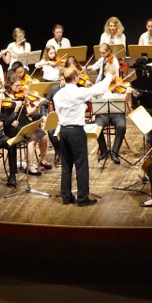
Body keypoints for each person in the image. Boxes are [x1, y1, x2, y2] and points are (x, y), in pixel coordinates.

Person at [54, 64, 114, 207]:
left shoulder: (58, 95)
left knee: (66, 165)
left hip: (63, 130)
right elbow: (99, 89)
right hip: (76, 131)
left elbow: (62, 111)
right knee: (81, 165)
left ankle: (66, 197)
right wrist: (109, 75)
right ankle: (82, 199)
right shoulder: (78, 92)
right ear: (75, 78)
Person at [2, 73, 52, 175]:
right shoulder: (4, 97)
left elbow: (29, 112)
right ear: (10, 85)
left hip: (25, 122)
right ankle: (29, 166)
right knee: (33, 138)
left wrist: (38, 105)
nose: (19, 87)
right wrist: (15, 110)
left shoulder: (22, 96)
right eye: (17, 85)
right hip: (13, 125)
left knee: (44, 137)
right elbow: (4, 119)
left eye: (20, 85)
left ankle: (42, 160)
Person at [93, 62, 133, 165]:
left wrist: (128, 94)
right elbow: (92, 98)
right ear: (105, 73)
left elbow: (125, 101)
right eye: (111, 74)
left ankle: (114, 152)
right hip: (102, 113)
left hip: (117, 113)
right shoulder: (99, 86)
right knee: (96, 127)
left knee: (122, 126)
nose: (114, 76)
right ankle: (104, 151)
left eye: (115, 74)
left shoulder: (120, 85)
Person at [40, 71, 67, 166]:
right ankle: (58, 151)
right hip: (57, 117)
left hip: (68, 117)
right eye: (62, 80)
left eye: (66, 80)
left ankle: (65, 153)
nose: (64, 82)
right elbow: (44, 104)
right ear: (59, 79)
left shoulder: (71, 89)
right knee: (51, 131)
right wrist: (44, 115)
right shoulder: (54, 89)